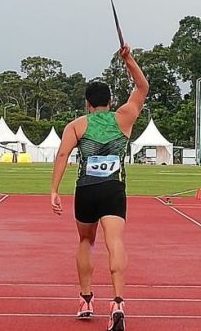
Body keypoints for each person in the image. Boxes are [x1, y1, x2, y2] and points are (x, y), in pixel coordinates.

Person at [50, 44, 148, 331]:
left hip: (86, 190)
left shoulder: (77, 125)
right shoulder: (124, 117)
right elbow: (142, 87)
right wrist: (128, 60)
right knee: (114, 242)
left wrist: (54, 190)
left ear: (87, 103)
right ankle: (118, 302)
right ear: (110, 100)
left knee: (85, 241)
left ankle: (86, 299)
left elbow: (62, 156)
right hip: (113, 189)